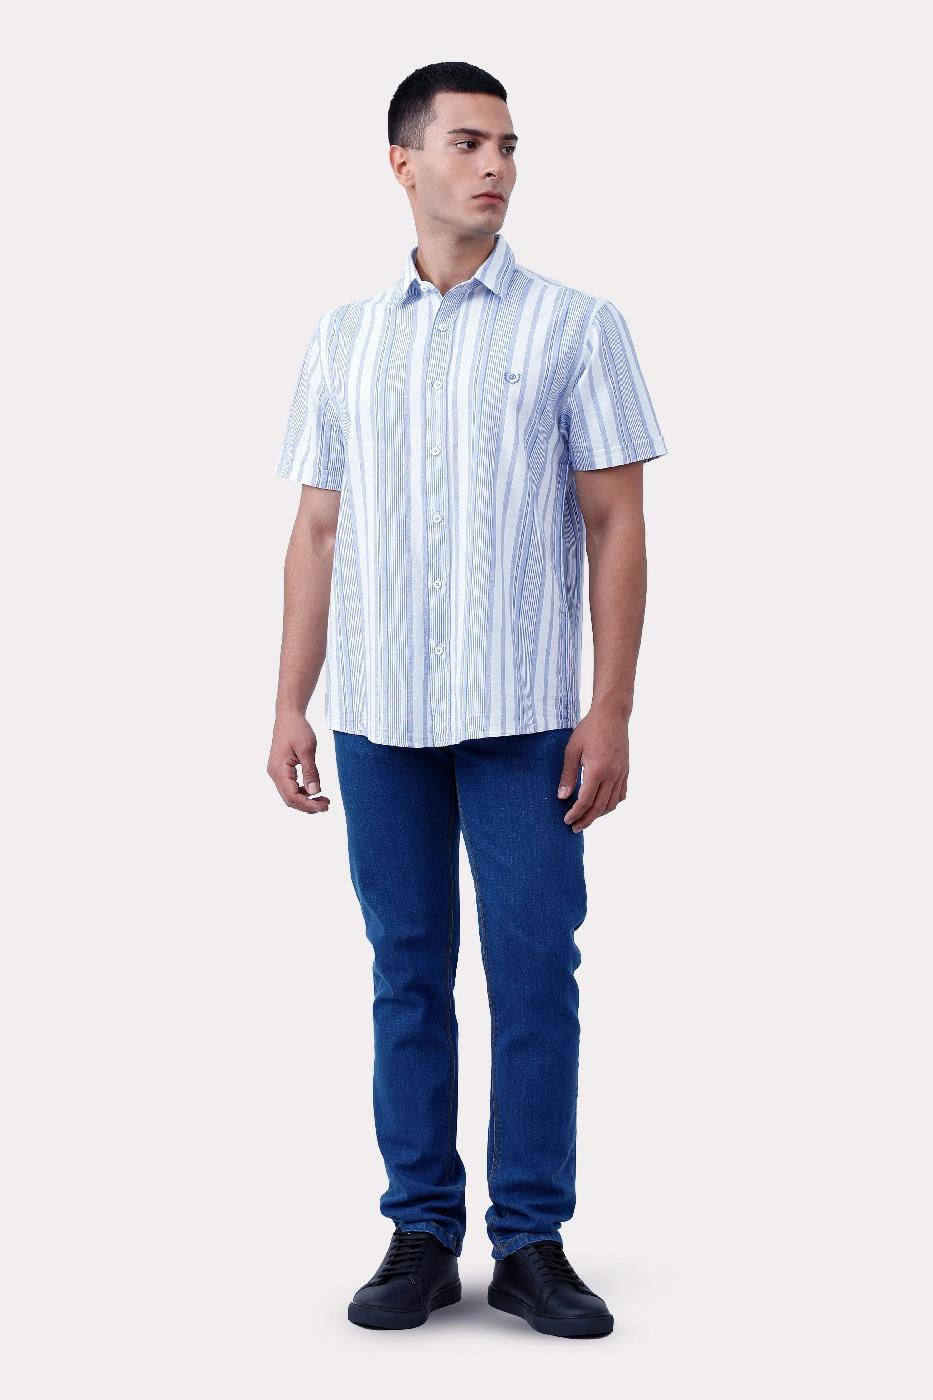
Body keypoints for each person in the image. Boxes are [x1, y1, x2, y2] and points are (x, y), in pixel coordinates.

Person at [267, 61, 668, 1340]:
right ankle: (422, 1231)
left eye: (508, 145)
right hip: (379, 716)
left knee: (536, 971)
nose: (495, 166)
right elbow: (316, 531)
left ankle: (533, 1236)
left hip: (525, 718)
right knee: (407, 971)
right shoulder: (344, 336)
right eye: (467, 143)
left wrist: (611, 707)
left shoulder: (576, 326)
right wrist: (289, 703)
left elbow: (616, 523)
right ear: (403, 163)